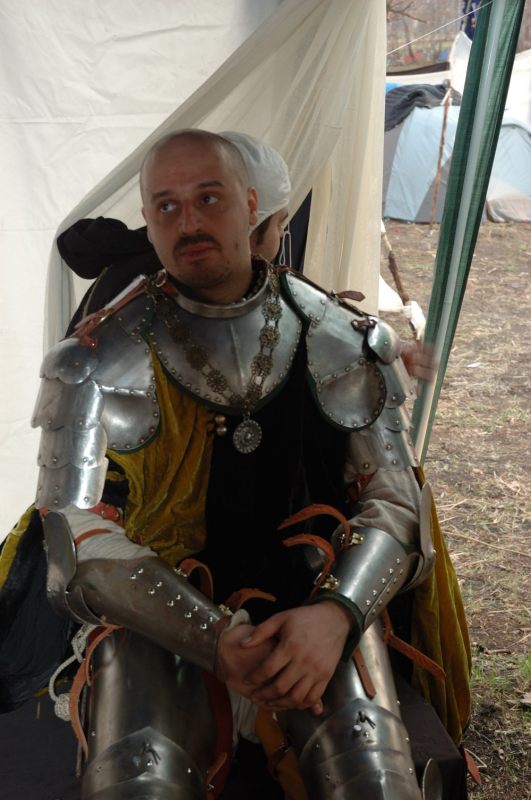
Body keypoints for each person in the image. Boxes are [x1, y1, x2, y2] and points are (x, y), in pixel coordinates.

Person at [0, 129, 470, 800]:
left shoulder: (344, 337)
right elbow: (71, 532)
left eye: (209, 198)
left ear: (251, 205)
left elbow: (396, 499)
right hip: (160, 609)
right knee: (139, 780)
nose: (188, 221)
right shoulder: (94, 358)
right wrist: (213, 638)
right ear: (148, 221)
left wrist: (339, 612)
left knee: (373, 780)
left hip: (312, 597)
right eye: (166, 206)